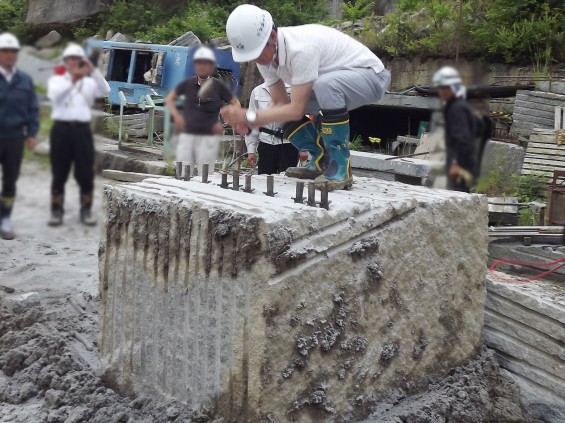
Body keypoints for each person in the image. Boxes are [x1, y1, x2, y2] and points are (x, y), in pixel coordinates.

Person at [221, 4, 391, 190]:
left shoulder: (301, 49)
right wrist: (251, 121)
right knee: (281, 112)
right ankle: (321, 159)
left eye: (258, 52)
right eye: (251, 56)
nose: (256, 60)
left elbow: (297, 110)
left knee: (324, 85)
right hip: (333, 87)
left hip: (372, 76)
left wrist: (249, 117)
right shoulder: (266, 58)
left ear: (272, 36)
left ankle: (340, 166)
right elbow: (280, 106)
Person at [47, 43, 110, 226]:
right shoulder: (57, 80)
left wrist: (93, 71)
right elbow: (56, 97)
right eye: (70, 59)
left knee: (85, 173)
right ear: (65, 62)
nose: (74, 62)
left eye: (77, 59)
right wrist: (74, 79)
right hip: (61, 130)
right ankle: (56, 211)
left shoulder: (89, 82)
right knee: (59, 172)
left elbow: (106, 90)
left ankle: (86, 211)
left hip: (82, 131)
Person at [166, 46, 240, 175]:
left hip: (208, 137)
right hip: (187, 135)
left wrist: (226, 123)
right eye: (199, 63)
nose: (202, 67)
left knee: (205, 174)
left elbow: (236, 103)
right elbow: (170, 99)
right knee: (182, 171)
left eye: (205, 64)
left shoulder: (218, 86)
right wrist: (177, 117)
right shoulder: (187, 84)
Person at [0, 33, 39, 240]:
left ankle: (5, 218)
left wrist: (31, 134)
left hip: (15, 138)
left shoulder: (24, 79)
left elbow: (32, 109)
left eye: (13, 51)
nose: (9, 55)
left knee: (10, 180)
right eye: (5, 51)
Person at [432, 66, 479, 193]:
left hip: (461, 166)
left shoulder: (457, 108)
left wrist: (456, 163)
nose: (441, 92)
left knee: (456, 198)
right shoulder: (456, 106)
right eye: (440, 88)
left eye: (445, 88)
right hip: (464, 163)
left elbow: (462, 138)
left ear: (453, 88)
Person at [245, 82, 304, 174]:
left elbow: (303, 120)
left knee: (287, 182)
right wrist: (251, 150)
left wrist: (303, 148)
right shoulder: (258, 91)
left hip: (289, 144)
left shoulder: (295, 90)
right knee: (264, 181)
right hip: (266, 145)